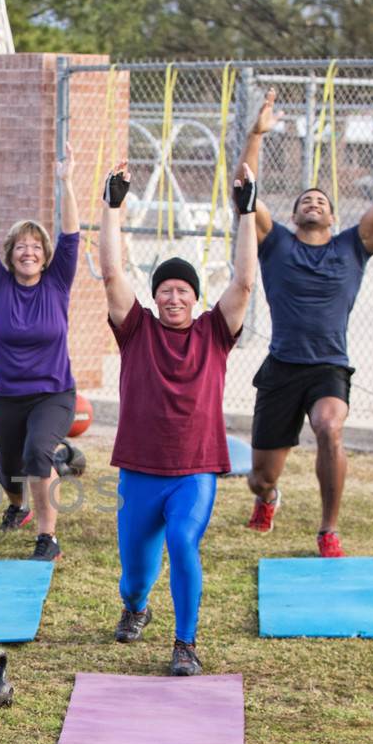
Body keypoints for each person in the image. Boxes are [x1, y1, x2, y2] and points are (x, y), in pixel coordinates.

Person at [98, 161, 259, 674]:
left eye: (182, 290)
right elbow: (110, 273)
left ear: (195, 297)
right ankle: (136, 606)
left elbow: (245, 281)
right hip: (140, 471)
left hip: (194, 471)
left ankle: (185, 643)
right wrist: (112, 208)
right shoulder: (136, 329)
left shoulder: (214, 332)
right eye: (164, 288)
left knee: (183, 541)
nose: (173, 296)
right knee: (135, 572)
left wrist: (246, 213)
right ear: (156, 295)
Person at [236, 89, 373, 557]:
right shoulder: (277, 245)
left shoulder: (352, 246)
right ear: (293, 216)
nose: (313, 202)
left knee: (330, 428)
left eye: (321, 200)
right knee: (259, 476)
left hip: (329, 367)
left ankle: (327, 529)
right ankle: (269, 498)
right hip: (281, 368)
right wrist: (256, 134)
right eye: (305, 200)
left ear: (333, 216)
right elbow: (245, 192)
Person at [0, 139, 79, 562]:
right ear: (11, 256)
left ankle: (48, 538)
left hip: (53, 393)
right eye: (21, 246)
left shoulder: (58, 281)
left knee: (37, 455)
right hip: (6, 397)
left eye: (36, 246)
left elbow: (71, 235)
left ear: (45, 256)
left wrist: (66, 183)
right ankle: (17, 504)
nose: (29, 251)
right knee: (11, 467)